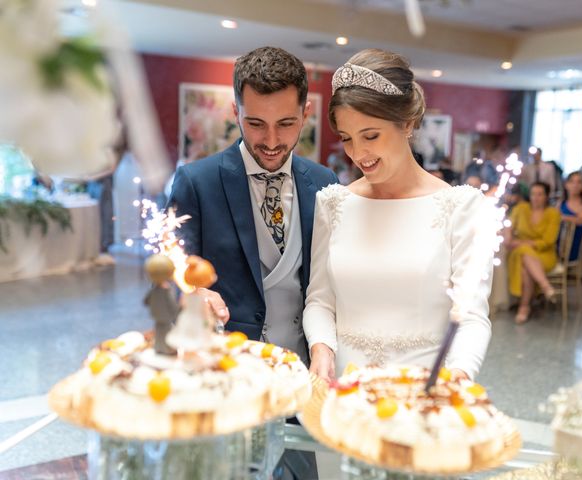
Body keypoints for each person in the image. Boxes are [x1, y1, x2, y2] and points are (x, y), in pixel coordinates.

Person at [303, 49, 493, 383]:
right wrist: (322, 347)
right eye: (347, 139)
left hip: (422, 395)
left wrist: (457, 377)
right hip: (344, 392)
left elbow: (472, 316)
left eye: (371, 135)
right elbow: (319, 300)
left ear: (406, 123)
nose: (358, 154)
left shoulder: (462, 207)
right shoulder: (333, 204)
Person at [167, 47, 338, 364]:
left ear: (306, 113)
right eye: (256, 123)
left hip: (305, 367)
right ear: (236, 112)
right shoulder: (196, 182)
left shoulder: (325, 182)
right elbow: (168, 270)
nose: (272, 141)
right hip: (228, 365)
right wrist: (190, 294)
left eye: (286, 123)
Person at [505, 182, 561, 324]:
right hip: (520, 252)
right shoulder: (521, 208)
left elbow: (548, 241)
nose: (535, 198)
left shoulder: (553, 213)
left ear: (547, 196)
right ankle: (545, 287)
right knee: (524, 255)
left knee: (525, 264)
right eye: (533, 194)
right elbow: (509, 226)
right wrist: (508, 236)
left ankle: (524, 307)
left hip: (544, 254)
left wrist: (521, 243)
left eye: (540, 194)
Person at [559, 171, 582, 262]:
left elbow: (580, 221)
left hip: (572, 243)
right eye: (572, 182)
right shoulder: (561, 202)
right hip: (559, 237)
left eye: (579, 182)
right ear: (566, 184)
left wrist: (561, 217)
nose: (575, 185)